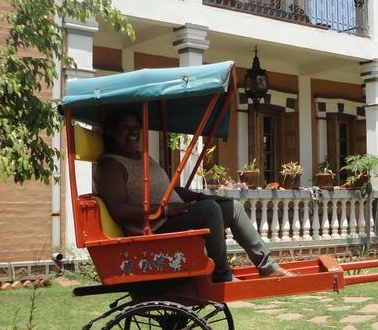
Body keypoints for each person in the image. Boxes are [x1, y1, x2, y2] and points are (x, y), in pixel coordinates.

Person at [92, 106, 290, 283]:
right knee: (209, 211)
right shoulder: (110, 165)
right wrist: (165, 209)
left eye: (136, 126)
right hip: (154, 227)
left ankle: (268, 267)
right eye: (125, 127)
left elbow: (170, 189)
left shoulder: (142, 157)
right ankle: (222, 275)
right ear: (110, 131)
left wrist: (201, 197)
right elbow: (119, 209)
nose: (133, 131)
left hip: (172, 215)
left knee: (232, 207)